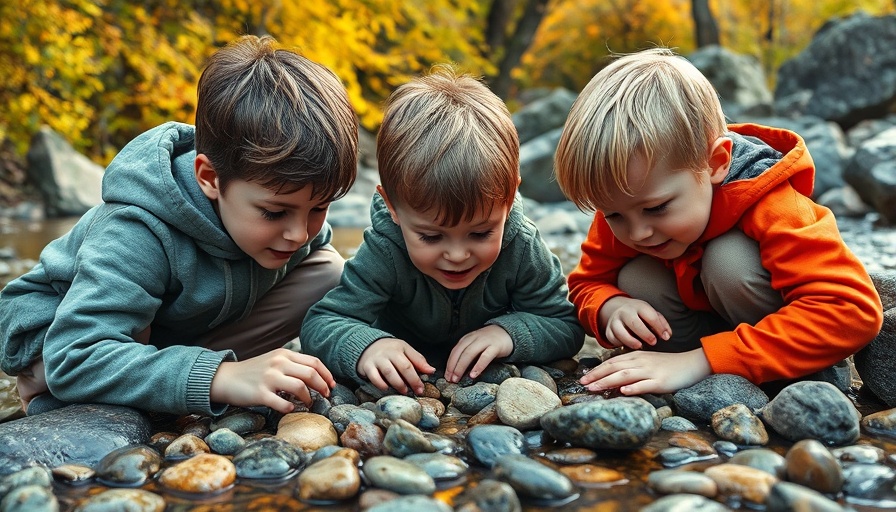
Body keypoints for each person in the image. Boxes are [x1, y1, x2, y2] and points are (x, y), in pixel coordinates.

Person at [0, 35, 358, 416]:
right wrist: (225, 378)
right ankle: (64, 390)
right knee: (101, 350)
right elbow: (75, 354)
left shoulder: (292, 220)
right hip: (61, 332)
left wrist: (367, 345)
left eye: (319, 208)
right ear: (209, 177)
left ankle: (172, 374)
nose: (299, 233)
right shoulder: (137, 229)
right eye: (274, 212)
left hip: (177, 326)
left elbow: (348, 287)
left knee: (328, 273)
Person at [553, 48, 883, 396]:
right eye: (614, 215)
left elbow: (853, 310)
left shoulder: (772, 202)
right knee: (635, 277)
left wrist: (704, 361)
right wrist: (609, 307)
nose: (637, 232)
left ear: (716, 162)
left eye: (658, 208)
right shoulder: (627, 199)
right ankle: (679, 374)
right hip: (689, 352)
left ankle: (769, 377)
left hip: (787, 358)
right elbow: (586, 283)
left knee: (728, 261)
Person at [300, 66, 584, 395]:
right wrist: (367, 347)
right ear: (392, 207)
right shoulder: (385, 249)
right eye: (431, 237)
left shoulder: (519, 242)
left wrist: (508, 334)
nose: (458, 255)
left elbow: (565, 323)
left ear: (507, 201)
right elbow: (322, 323)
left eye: (480, 234)